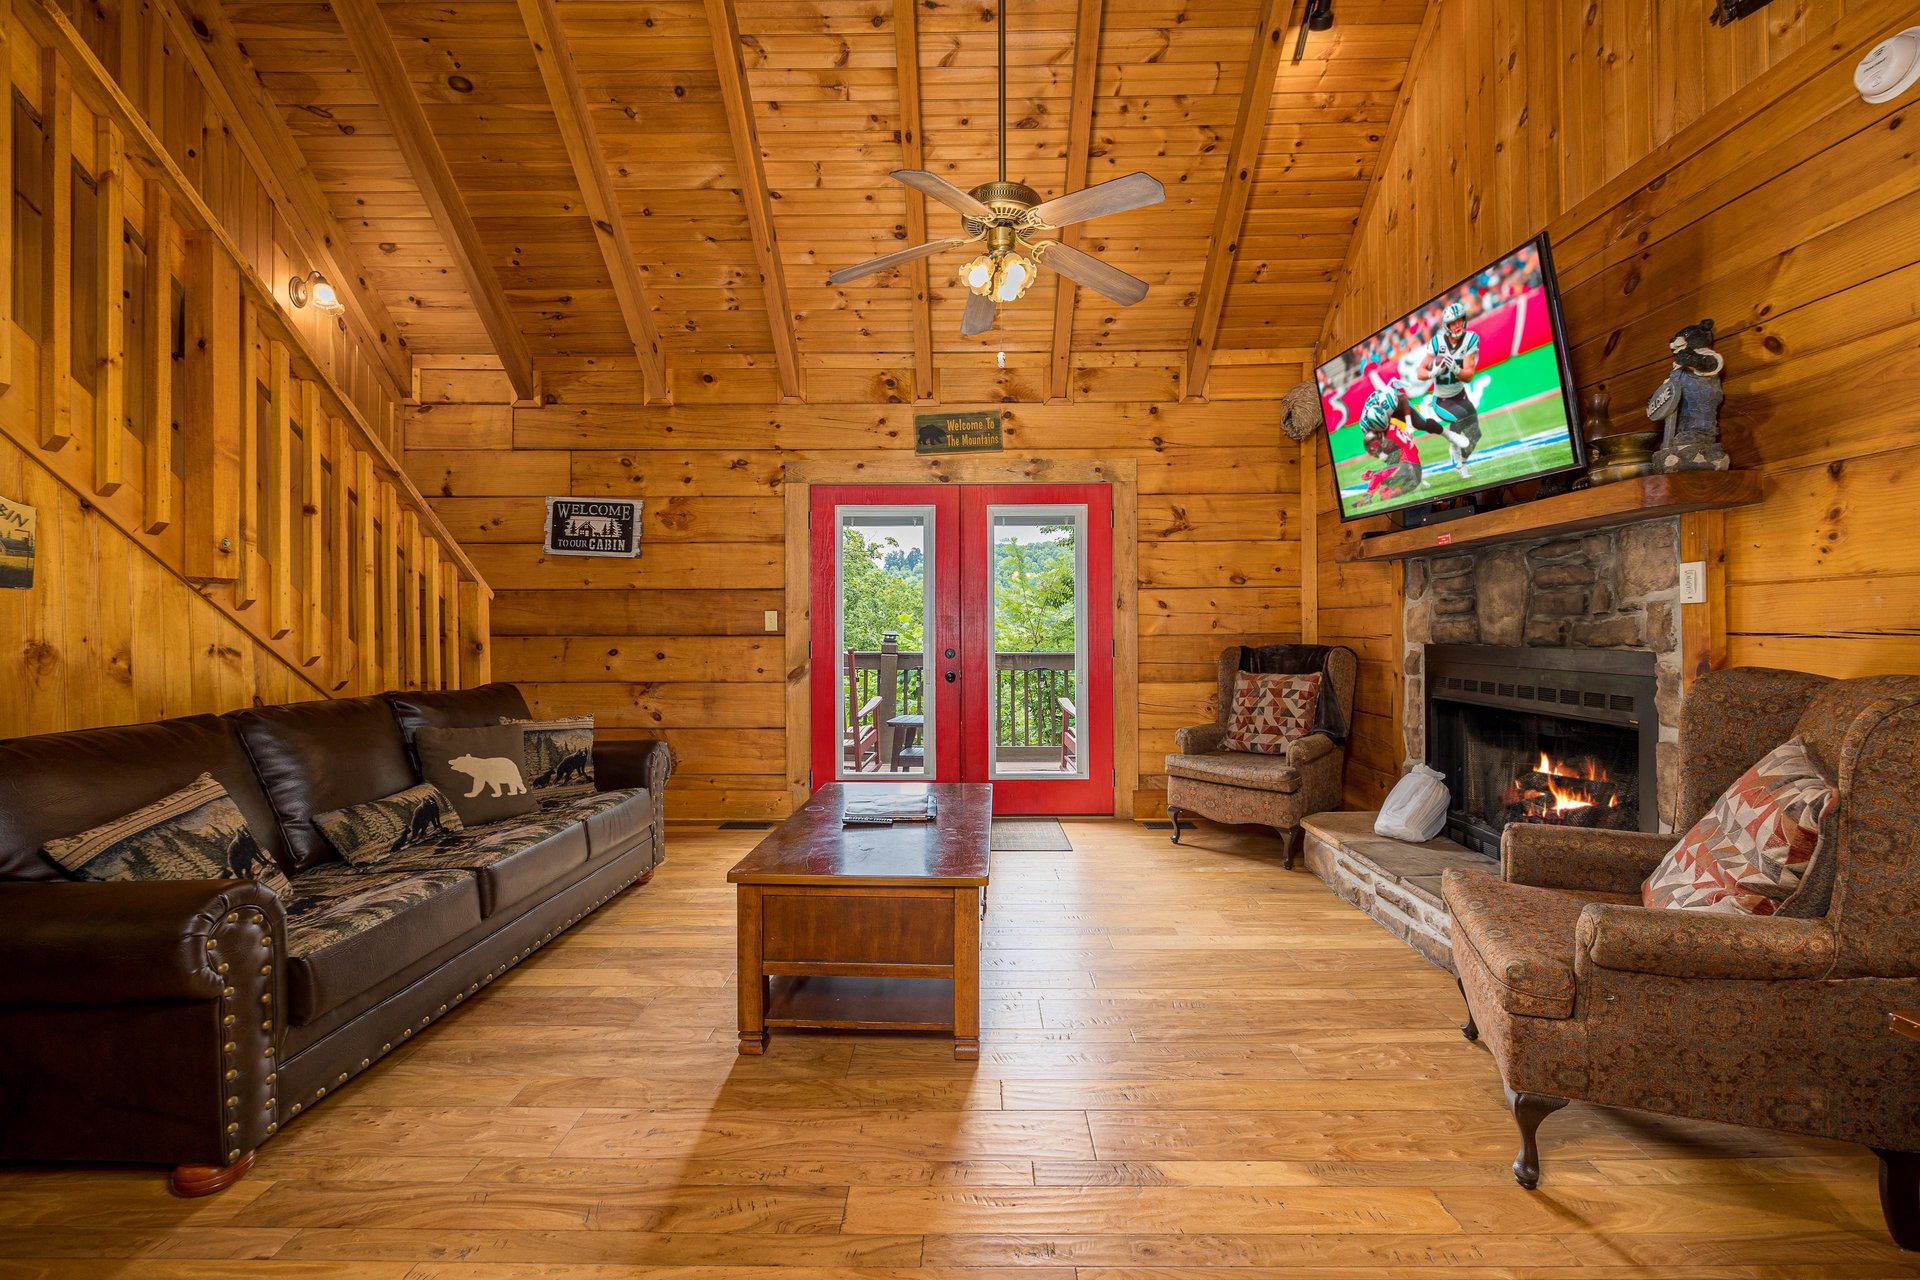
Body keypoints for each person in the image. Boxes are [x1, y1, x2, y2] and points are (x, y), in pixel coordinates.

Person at [1416, 301, 1483, 479]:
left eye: (1460, 320)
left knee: (1476, 435)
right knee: (1461, 417)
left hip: (1461, 396)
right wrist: (1433, 373)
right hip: (1442, 400)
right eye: (1453, 322)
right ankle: (1453, 445)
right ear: (1446, 326)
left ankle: (1461, 463)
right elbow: (1419, 372)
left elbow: (1468, 376)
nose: (1457, 325)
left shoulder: (1471, 339)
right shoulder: (1437, 342)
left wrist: (1455, 369)